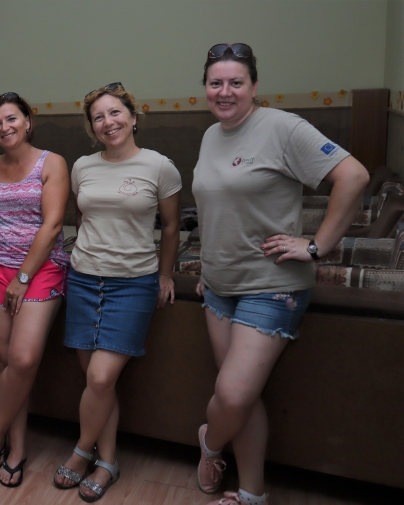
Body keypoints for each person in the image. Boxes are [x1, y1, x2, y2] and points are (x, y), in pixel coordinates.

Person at [191, 43, 369, 505]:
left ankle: (210, 443)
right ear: (205, 88)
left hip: (272, 286)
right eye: (215, 83)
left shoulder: (282, 127)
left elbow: (354, 176)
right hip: (219, 286)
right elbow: (218, 209)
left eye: (236, 82)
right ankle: (252, 493)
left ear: (254, 87)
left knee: (232, 396)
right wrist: (209, 264)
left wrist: (316, 246)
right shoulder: (211, 135)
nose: (225, 91)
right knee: (243, 397)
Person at [53, 83, 181, 502]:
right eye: (98, 117)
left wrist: (165, 274)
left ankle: (80, 451)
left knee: (101, 377)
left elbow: (172, 227)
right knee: (96, 383)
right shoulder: (83, 166)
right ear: (92, 127)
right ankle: (107, 461)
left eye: (115, 113)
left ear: (133, 117)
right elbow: (81, 217)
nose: (108, 122)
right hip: (84, 278)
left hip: (133, 283)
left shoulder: (160, 166)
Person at [0, 93, 70, 487]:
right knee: (6, 364)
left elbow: (53, 225)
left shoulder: (52, 163)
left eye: (12, 119)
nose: (5, 127)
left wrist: (23, 277)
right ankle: (17, 447)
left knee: (24, 358)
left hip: (41, 269)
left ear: (28, 121)